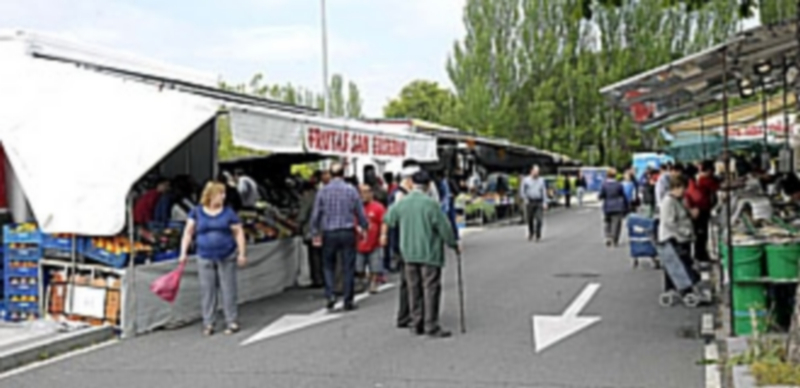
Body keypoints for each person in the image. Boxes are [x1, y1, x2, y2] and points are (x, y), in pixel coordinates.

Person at [382, 170, 460, 338]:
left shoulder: (403, 202)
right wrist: (453, 244)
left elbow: (389, 218)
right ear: (428, 185)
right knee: (430, 288)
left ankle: (416, 323)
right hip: (429, 252)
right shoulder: (431, 204)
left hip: (408, 252)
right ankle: (430, 325)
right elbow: (444, 227)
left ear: (412, 183)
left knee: (413, 288)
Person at [179, 181, 247, 336]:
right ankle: (208, 322)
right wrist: (183, 252)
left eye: (223, 194)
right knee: (207, 290)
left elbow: (238, 232)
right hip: (204, 255)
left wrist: (242, 252)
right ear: (210, 195)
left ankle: (232, 320)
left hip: (226, 254)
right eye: (220, 194)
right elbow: (188, 232)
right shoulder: (196, 212)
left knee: (228, 288)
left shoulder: (228, 212)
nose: (223, 197)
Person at [310, 163, 368, 311]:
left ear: (330, 174)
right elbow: (359, 211)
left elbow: (316, 214)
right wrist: (364, 226)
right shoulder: (351, 190)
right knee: (348, 266)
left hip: (329, 231)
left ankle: (330, 294)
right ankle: (348, 299)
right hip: (347, 231)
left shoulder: (323, 192)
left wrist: (315, 231)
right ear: (343, 173)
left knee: (328, 265)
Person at [384, 167, 418, 328]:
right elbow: (392, 220)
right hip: (402, 242)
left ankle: (406, 314)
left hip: (401, 242)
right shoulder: (399, 196)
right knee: (409, 280)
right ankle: (408, 315)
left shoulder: (401, 195)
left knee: (407, 280)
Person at [658, 174, 700, 291]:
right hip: (674, 238)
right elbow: (669, 222)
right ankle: (680, 288)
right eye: (683, 189)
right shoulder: (668, 202)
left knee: (683, 263)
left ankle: (682, 287)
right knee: (678, 264)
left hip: (681, 237)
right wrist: (685, 231)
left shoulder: (679, 200)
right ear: (676, 187)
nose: (684, 191)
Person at [356, 184, 386, 294]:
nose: (362, 195)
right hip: (359, 242)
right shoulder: (356, 207)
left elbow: (383, 222)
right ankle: (363, 279)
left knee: (375, 264)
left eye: (365, 192)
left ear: (371, 193)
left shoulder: (378, 207)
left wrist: (383, 235)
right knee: (359, 266)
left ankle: (373, 282)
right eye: (360, 192)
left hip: (374, 242)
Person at [297, 181, 324, 288]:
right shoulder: (320, 195)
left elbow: (303, 215)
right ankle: (323, 277)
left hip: (312, 231)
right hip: (322, 230)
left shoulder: (309, 197)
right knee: (321, 254)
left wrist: (298, 224)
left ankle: (317, 279)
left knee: (314, 255)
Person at [599, 169, 628, 247]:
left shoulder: (604, 185)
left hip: (608, 206)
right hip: (618, 206)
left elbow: (601, 195)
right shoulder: (619, 185)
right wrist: (626, 206)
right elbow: (623, 195)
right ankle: (615, 239)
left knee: (607, 222)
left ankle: (608, 236)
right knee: (616, 224)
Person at [520, 165, 548, 242]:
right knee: (530, 219)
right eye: (535, 172)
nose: (536, 174)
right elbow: (522, 191)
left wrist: (545, 202)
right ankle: (531, 232)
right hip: (530, 201)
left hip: (539, 201)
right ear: (531, 171)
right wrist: (525, 199)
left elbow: (544, 192)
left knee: (539, 219)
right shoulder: (526, 180)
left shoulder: (541, 180)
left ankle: (538, 234)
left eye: (538, 172)